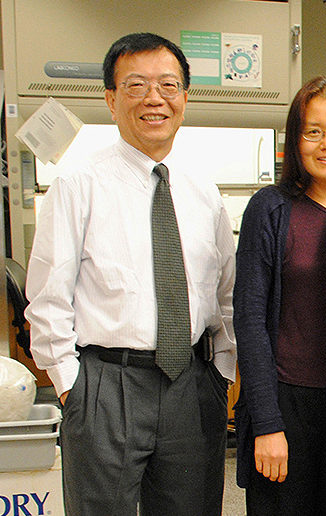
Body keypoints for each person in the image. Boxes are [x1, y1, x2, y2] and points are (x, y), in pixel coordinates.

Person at [24, 32, 236, 515]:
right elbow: (49, 298)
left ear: (184, 97)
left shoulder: (204, 191)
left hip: (192, 383)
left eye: (168, 85)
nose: (154, 98)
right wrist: (71, 385)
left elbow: (226, 294)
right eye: (136, 86)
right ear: (111, 100)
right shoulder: (78, 184)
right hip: (105, 385)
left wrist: (221, 371)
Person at [234, 76, 326, 515]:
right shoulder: (270, 208)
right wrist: (267, 422)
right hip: (286, 400)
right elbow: (250, 318)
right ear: (295, 140)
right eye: (313, 131)